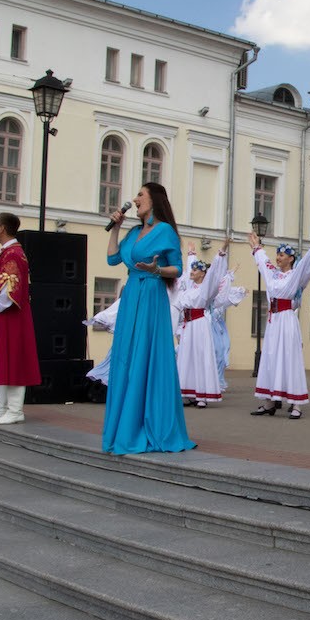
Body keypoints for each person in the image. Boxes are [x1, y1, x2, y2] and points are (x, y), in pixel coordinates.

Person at [103, 183, 195, 454]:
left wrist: (157, 270)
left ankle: (148, 423)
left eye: (140, 195)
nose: (135, 199)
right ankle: (124, 426)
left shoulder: (165, 230)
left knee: (146, 356)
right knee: (126, 357)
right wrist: (116, 228)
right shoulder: (132, 232)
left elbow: (177, 269)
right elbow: (111, 259)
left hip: (152, 293)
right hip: (132, 294)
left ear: (154, 200)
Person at [248, 226, 310, 419]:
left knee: (290, 358)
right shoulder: (273, 274)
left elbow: (308, 265)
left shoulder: (295, 275)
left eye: (282, 255)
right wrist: (256, 247)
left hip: (286, 320)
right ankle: (269, 401)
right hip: (273, 322)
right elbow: (263, 263)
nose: (278, 257)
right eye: (277, 254)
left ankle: (296, 404)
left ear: (291, 258)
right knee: (270, 358)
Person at [0, 213, 41, 426]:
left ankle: (14, 410)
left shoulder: (13, 254)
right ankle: (2, 407)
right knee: (2, 360)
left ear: (2, 228)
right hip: (3, 316)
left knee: (13, 360)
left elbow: (9, 289)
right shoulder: (8, 253)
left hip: (11, 316)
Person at [175, 245, 231, 408]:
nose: (191, 272)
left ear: (202, 273)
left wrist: (220, 255)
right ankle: (188, 392)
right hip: (188, 326)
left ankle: (202, 394)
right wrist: (191, 254)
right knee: (186, 357)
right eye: (191, 269)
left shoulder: (207, 288)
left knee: (200, 357)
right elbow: (187, 274)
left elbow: (215, 273)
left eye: (195, 270)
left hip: (199, 325)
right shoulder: (189, 288)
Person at [209, 268, 246, 392]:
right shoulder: (207, 291)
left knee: (222, 350)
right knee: (213, 352)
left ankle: (217, 381)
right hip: (207, 324)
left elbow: (229, 292)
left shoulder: (222, 293)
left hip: (217, 325)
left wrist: (241, 290)